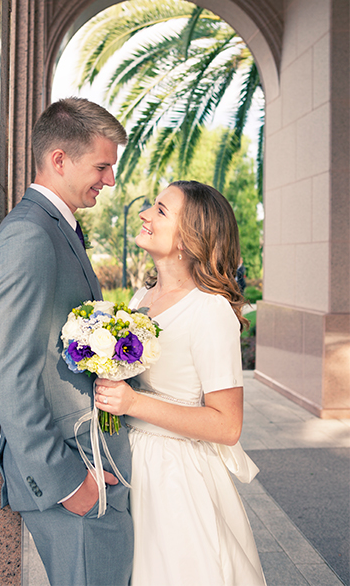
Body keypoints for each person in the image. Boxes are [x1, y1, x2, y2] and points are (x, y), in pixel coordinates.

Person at [0, 97, 133, 586]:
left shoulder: (56, 228)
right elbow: (11, 371)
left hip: (91, 462)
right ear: (60, 160)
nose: (110, 180)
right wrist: (68, 483)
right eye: (102, 166)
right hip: (72, 474)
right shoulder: (29, 236)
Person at [96, 180, 267, 586]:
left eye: (159, 210)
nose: (145, 215)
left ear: (188, 240)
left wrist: (133, 404)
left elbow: (227, 426)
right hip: (129, 461)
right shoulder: (141, 298)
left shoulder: (210, 311)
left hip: (174, 476)